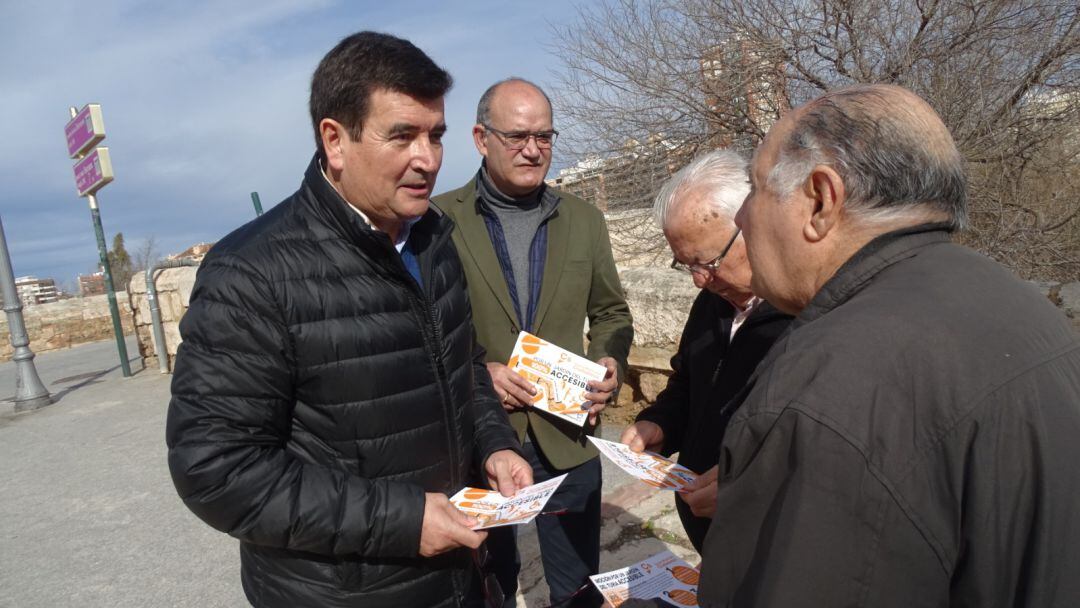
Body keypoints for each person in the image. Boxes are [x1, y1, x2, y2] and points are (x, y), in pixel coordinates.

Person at [166, 32, 532, 608]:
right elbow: (216, 470)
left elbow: (462, 365)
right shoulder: (251, 274)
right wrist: (405, 520)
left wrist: (493, 444)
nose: (428, 159)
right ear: (335, 141)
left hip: (459, 577)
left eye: (435, 135)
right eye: (402, 136)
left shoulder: (434, 238)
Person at [697, 84, 1080, 606]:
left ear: (820, 201)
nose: (742, 219)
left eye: (756, 190)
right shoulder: (1019, 303)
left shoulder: (829, 383)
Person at [433, 78, 633, 607]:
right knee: (488, 583)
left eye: (544, 136)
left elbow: (611, 311)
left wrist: (609, 360)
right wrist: (483, 372)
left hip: (566, 441)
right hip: (477, 445)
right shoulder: (436, 222)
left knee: (576, 590)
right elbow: (424, 331)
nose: (532, 149)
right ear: (481, 138)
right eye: (517, 135)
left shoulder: (586, 221)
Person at [619, 150, 791, 552]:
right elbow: (689, 382)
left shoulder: (809, 317)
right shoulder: (713, 300)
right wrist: (659, 423)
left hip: (772, 545)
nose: (699, 280)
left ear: (751, 224)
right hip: (709, 537)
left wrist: (744, 487)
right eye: (686, 264)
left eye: (708, 262)